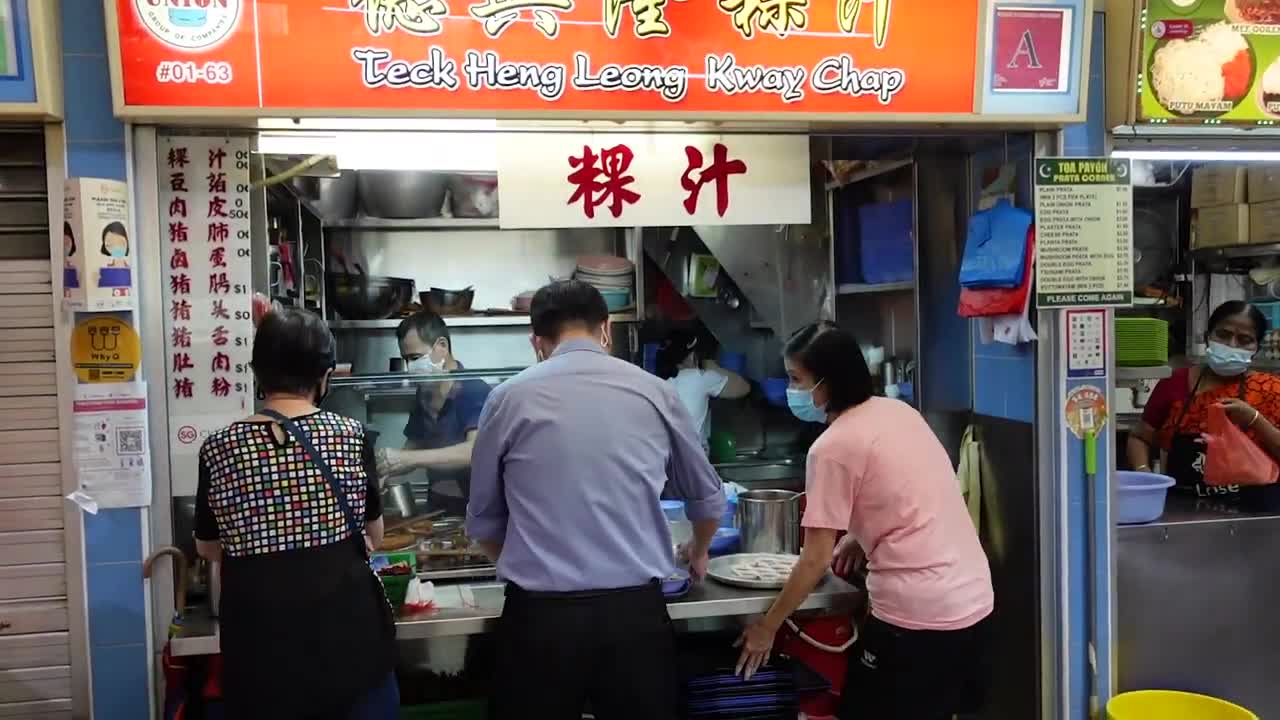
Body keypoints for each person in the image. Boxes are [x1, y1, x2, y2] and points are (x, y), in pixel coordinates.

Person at [466, 280, 726, 720]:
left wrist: (526, 560)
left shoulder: (506, 397)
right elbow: (706, 499)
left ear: (536, 342)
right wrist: (698, 551)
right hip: (634, 619)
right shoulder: (655, 391)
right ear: (605, 330)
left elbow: (485, 523)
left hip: (539, 622)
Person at [734, 322, 994, 720]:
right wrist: (858, 535)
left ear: (827, 382)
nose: (792, 390)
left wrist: (768, 626)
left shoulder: (832, 448)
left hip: (917, 620)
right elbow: (911, 491)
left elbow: (815, 559)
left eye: (796, 379)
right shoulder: (898, 412)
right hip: (973, 601)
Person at [194, 307, 397, 720]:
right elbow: (372, 535)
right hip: (349, 653)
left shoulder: (218, 447)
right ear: (324, 375)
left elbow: (208, 546)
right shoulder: (352, 436)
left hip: (259, 657)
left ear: (257, 372)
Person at [1127, 300, 1280, 500]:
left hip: (1255, 513)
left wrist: (1254, 419)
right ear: (1208, 337)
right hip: (1184, 512)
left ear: (1256, 348)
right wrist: (1143, 472)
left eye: (1244, 340)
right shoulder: (1175, 383)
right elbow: (1139, 437)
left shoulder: (1270, 389)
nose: (1231, 345)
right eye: (1223, 335)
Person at [376, 310, 492, 516]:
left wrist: (406, 459)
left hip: (475, 507)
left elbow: (474, 452)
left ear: (442, 346)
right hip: (437, 505)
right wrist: (385, 469)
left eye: (415, 357)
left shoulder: (474, 389)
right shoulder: (424, 393)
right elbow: (414, 446)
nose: (410, 366)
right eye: (406, 359)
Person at [657, 329, 750, 449]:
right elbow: (744, 387)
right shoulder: (699, 378)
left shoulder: (661, 384)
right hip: (693, 457)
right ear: (690, 357)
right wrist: (713, 367)